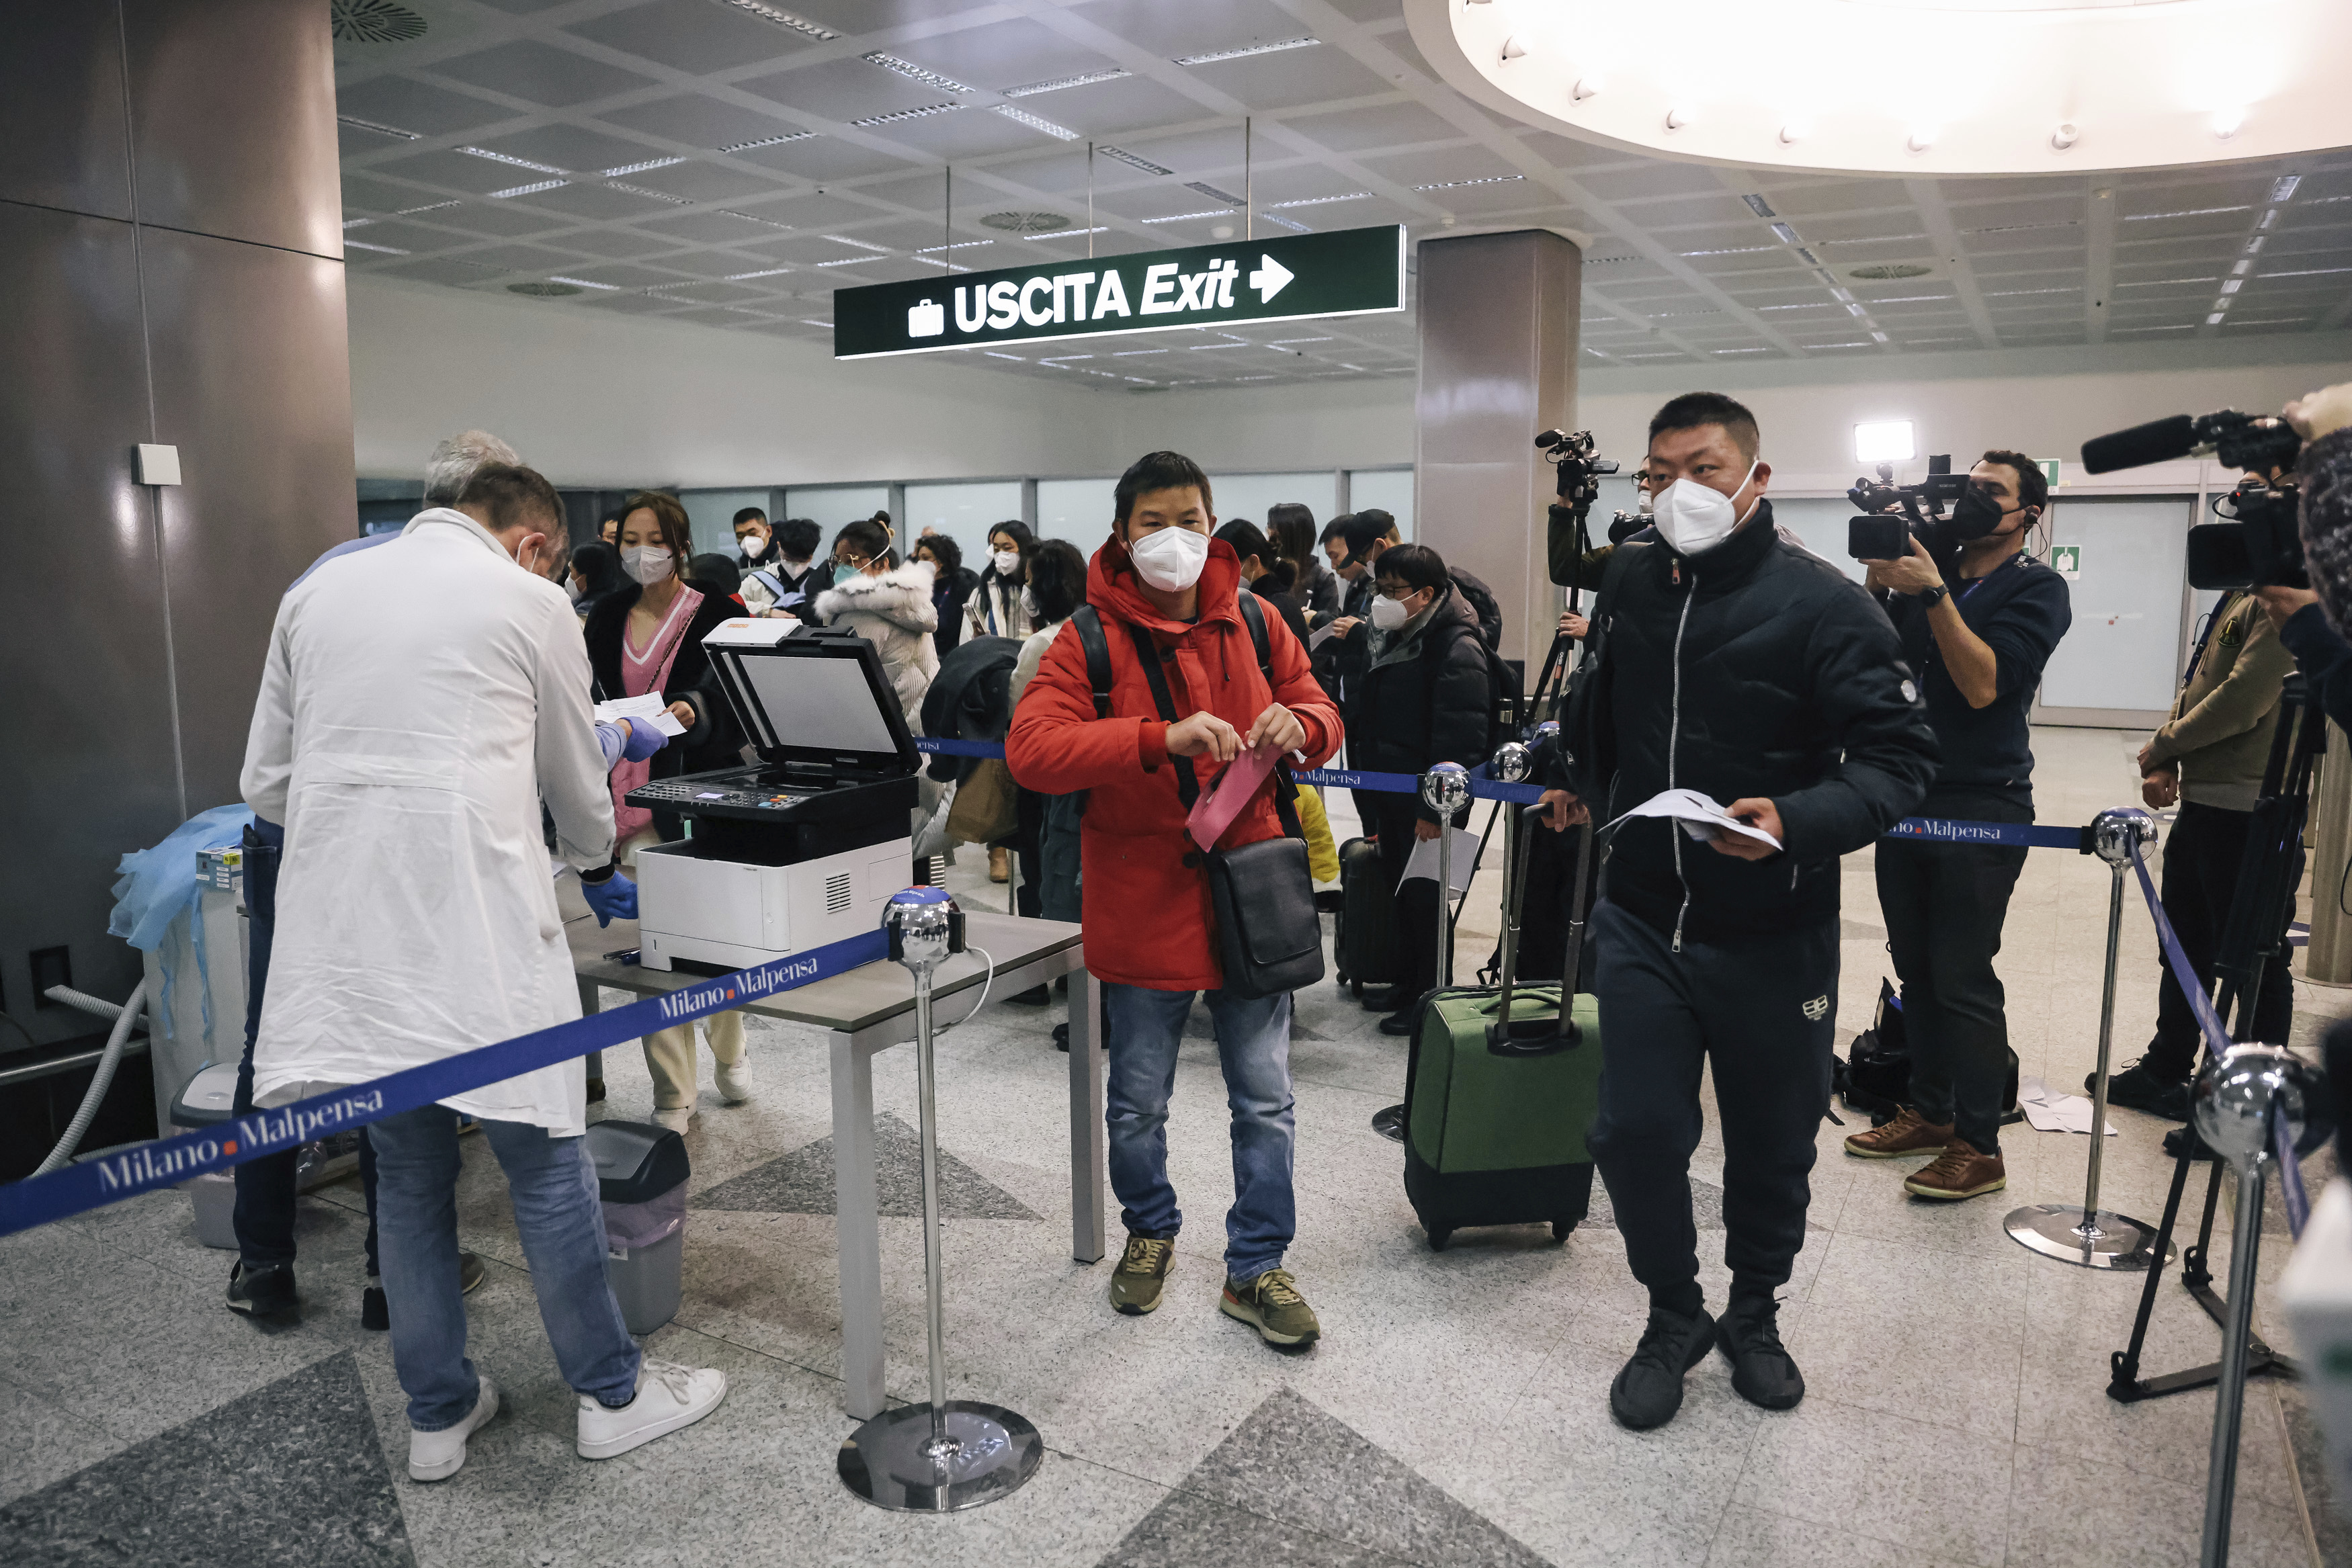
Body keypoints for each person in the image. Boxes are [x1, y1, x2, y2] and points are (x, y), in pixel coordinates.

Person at [241, 462, 726, 1481]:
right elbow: (575, 780)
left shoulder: (316, 589)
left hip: (354, 948)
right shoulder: (530, 599)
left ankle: (437, 1415)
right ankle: (611, 1392)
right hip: (479, 938)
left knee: (409, 1174)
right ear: (537, 540)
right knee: (545, 1161)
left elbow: (268, 785)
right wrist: (591, 857)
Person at [1537, 391, 1936, 1431]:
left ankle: (1755, 1310)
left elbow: (1901, 763)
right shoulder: (1629, 575)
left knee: (1772, 1142)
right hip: (1641, 912)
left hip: (1773, 924)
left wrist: (1794, 820)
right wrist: (1581, 770)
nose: (1678, 490)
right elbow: (1607, 694)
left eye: (1703, 468)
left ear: (1756, 476)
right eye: (1658, 473)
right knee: (1634, 1131)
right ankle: (1675, 1314)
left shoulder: (1827, 605)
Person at [1006, 451, 1342, 1349]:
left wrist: (1299, 722)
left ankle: (1257, 1264)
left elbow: (1321, 708)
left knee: (1265, 1097)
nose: (1175, 537)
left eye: (1190, 517)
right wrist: (1155, 737)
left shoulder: (1259, 620)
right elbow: (1033, 751)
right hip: (1145, 903)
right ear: (1122, 533)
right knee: (1137, 1100)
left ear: (1212, 520)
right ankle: (1149, 1230)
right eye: (1154, 521)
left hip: (1251, 900)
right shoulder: (1087, 637)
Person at [225, 427, 524, 1323]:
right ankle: (393, 1273)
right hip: (413, 847)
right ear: (497, 507)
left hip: (298, 844)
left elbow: (265, 776)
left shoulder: (324, 576)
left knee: (273, 1046)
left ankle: (262, 1264)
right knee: (411, 1041)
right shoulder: (493, 588)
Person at [1845, 452, 2072, 1199]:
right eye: (1967, 487)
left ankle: (1979, 1145)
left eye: (1991, 492)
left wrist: (1934, 593)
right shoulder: (1923, 573)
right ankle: (1929, 1110)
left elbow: (1981, 686)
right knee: (1915, 969)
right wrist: (1879, 591)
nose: (1972, 500)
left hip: (1980, 803)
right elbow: (1871, 666)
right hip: (1904, 793)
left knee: (1961, 974)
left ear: (2028, 512)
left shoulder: (2036, 589)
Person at [583, 492, 751, 1134]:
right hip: (624, 796)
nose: (640, 551)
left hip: (695, 789)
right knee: (656, 951)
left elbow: (735, 696)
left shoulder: (716, 611)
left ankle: (731, 1048)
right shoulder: (604, 615)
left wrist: (693, 711)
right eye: (629, 539)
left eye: (654, 539)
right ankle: (672, 1090)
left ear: (679, 544)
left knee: (713, 938)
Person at [1339, 543, 1495, 1034]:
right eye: (1377, 589)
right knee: (1403, 898)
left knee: (1428, 902)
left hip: (1432, 805)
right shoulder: (1397, 636)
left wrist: (1436, 808)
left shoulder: (1455, 646)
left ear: (1425, 594)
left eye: (1391, 591)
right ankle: (1409, 984)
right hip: (1392, 796)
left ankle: (1432, 997)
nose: (1380, 600)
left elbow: (1461, 735)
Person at [1011, 538, 1091, 939]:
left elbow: (1018, 714)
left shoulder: (1041, 644)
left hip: (1045, 778)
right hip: (1091, 772)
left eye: (1028, 581)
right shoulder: (1096, 631)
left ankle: (1040, 968)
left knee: (1042, 866)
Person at [815, 517, 939, 728]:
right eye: (837, 561)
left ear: (882, 563)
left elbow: (841, 682)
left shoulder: (867, 614)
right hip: (913, 727)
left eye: (850, 560)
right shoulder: (901, 605)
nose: (839, 569)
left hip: (888, 733)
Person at [963, 520, 1038, 644]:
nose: (1001, 554)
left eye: (1007, 548)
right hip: (998, 659)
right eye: (997, 549)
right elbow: (967, 636)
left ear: (1024, 549)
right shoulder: (985, 590)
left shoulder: (1037, 588)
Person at [1267, 502, 1339, 625]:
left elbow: (1329, 631)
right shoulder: (1266, 571)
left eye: (1273, 532)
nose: (1269, 538)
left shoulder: (1323, 579)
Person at [915, 533, 981, 661]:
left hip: (954, 658)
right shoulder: (918, 587)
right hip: (924, 657)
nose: (920, 563)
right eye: (919, 558)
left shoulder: (964, 587)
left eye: (926, 558)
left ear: (940, 562)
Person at [744, 517, 825, 616]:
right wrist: (768, 612)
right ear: (779, 547)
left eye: (802, 560)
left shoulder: (823, 582)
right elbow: (734, 605)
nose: (796, 566)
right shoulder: (755, 582)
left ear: (812, 554)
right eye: (789, 558)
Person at [569, 539, 628, 621]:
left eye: (571, 570)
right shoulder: (625, 604)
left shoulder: (583, 613)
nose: (570, 576)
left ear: (583, 578)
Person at [732, 506, 773, 570]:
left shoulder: (786, 561)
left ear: (768, 531)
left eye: (753, 533)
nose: (746, 540)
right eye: (740, 536)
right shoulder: (735, 568)